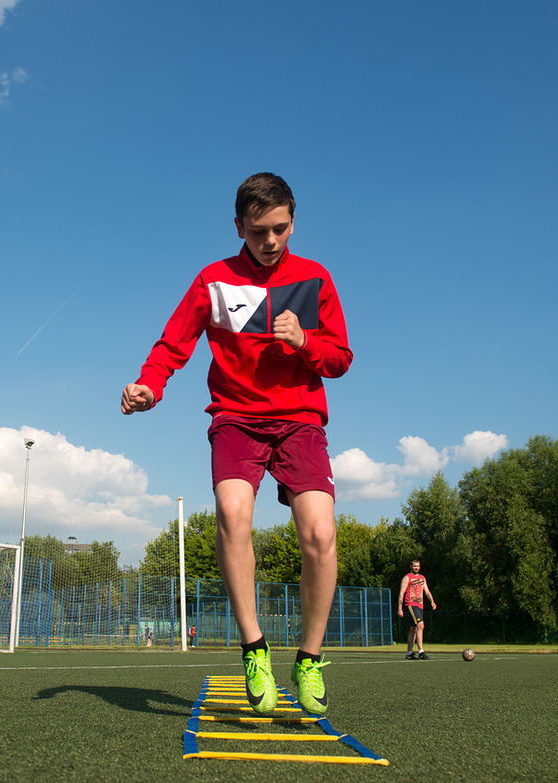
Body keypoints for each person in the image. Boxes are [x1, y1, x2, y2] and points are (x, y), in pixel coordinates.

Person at [121, 173, 352, 716]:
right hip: (236, 419)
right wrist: (149, 385)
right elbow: (173, 342)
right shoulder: (213, 280)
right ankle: (254, 649)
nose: (270, 242)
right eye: (257, 232)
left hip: (300, 421)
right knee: (231, 513)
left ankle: (310, 658)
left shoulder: (315, 279)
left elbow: (340, 359)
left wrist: (305, 342)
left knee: (320, 533)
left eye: (279, 229)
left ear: (294, 221)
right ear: (238, 228)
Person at [398, 559, 437, 660]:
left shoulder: (422, 578)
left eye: (418, 566)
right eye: (414, 566)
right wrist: (400, 608)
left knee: (413, 629)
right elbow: (401, 593)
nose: (416, 568)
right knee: (420, 625)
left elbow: (427, 591)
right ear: (410, 566)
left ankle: (409, 653)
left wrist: (432, 601)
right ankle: (421, 651)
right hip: (410, 604)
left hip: (420, 605)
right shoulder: (407, 578)